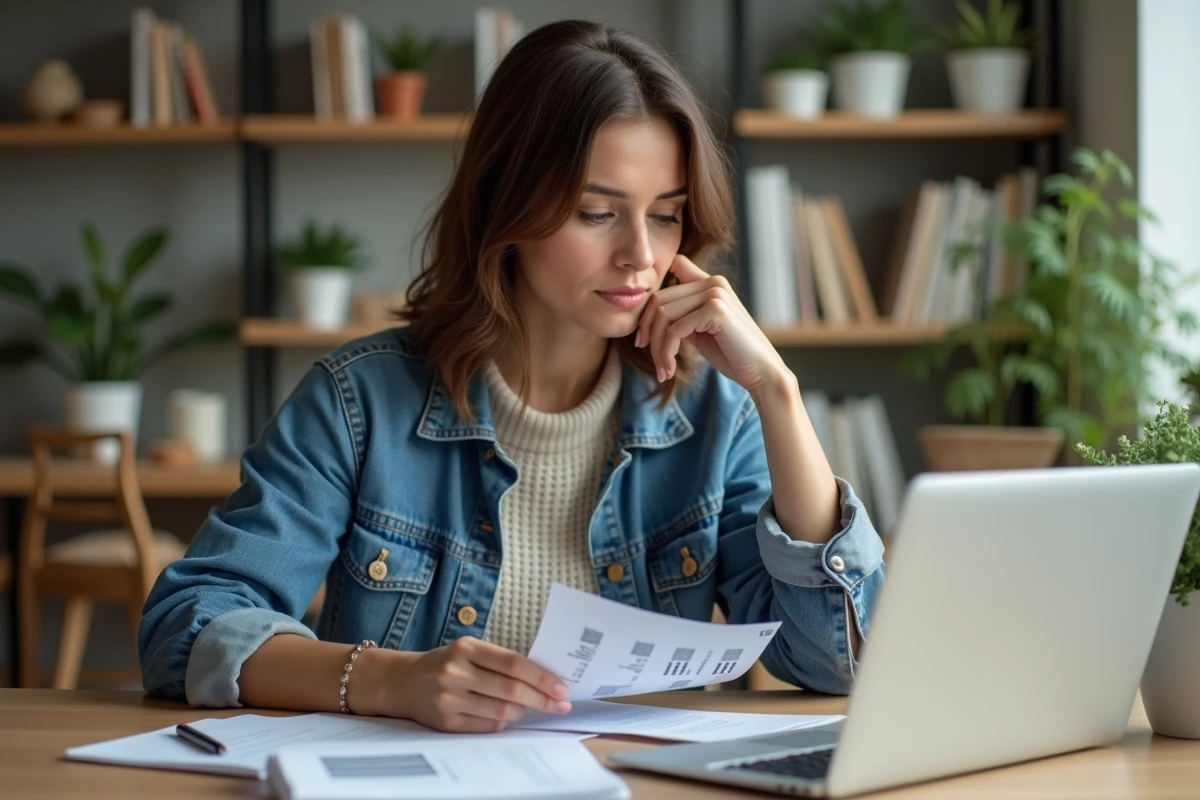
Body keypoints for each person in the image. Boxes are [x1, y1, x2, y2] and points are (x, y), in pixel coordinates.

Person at [139, 19, 885, 733]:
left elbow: (837, 659)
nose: (639, 254)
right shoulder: (358, 402)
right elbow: (190, 623)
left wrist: (777, 393)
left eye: (666, 215)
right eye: (597, 212)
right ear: (508, 205)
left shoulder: (717, 417)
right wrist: (390, 681)